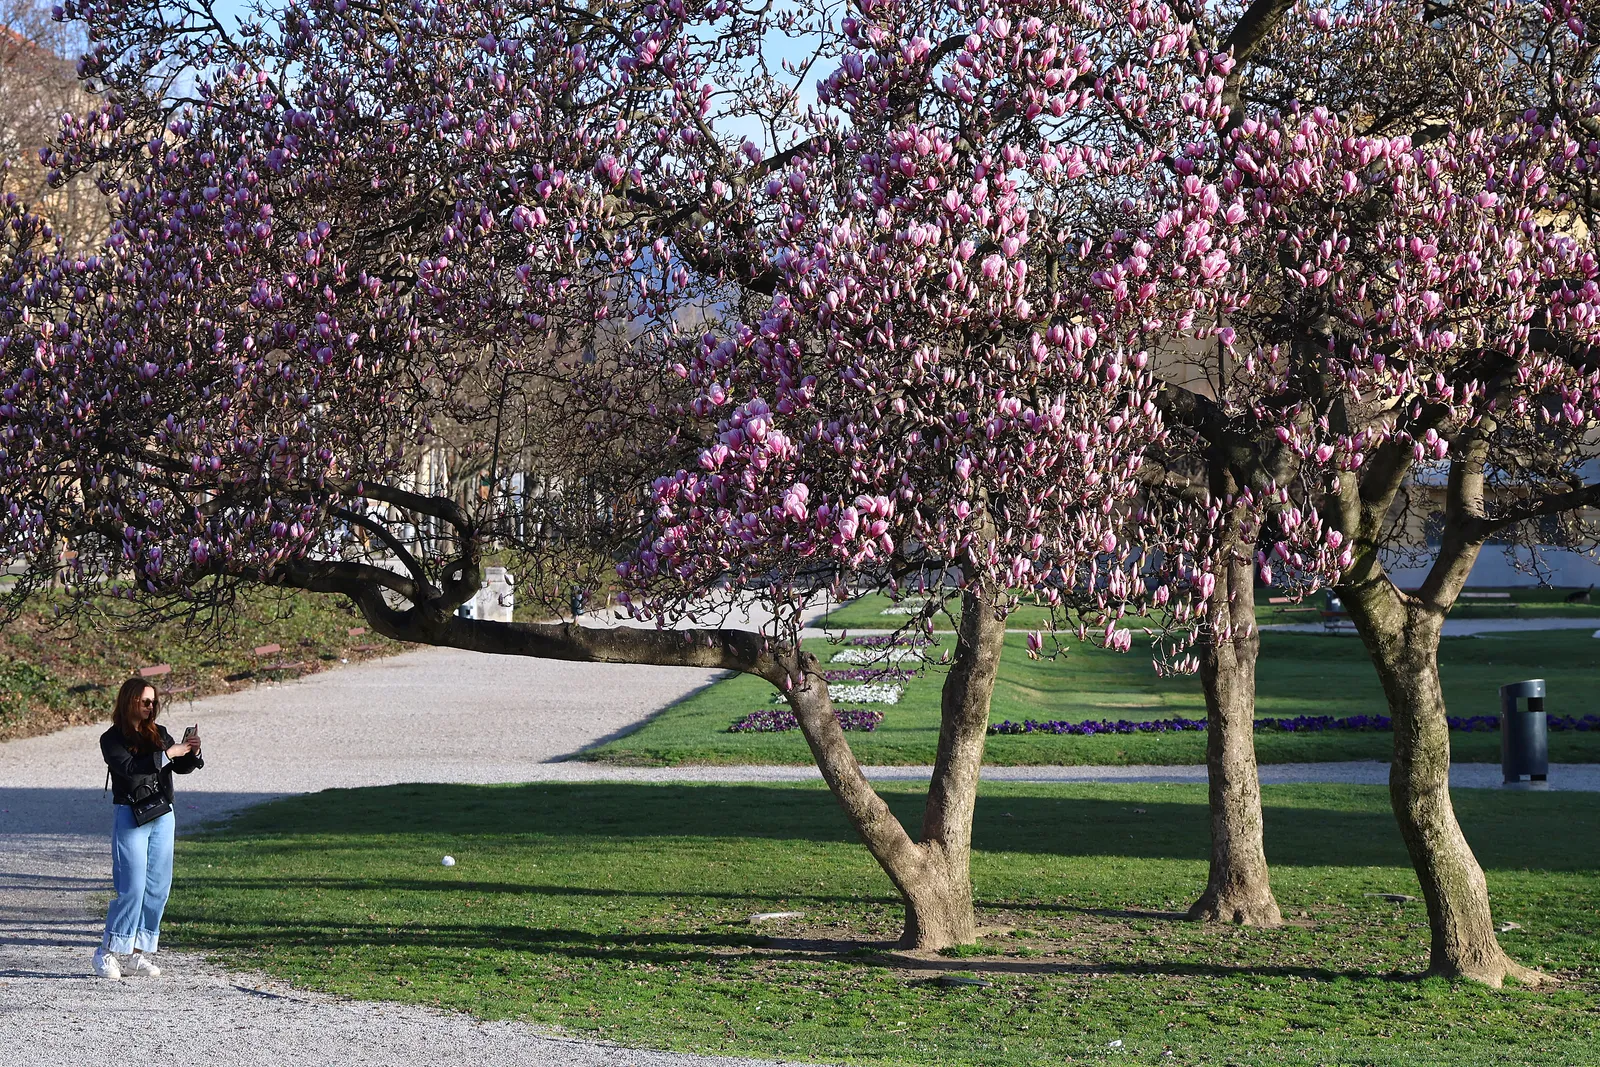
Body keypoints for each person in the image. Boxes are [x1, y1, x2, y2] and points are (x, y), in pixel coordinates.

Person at [92, 677, 204, 979]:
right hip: (130, 814)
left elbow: (178, 767)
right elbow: (129, 770)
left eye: (153, 701)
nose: (150, 706)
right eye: (144, 701)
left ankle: (138, 954)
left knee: (157, 887)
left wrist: (191, 752)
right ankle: (107, 952)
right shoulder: (111, 738)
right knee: (132, 886)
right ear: (129, 701)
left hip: (161, 814)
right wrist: (168, 753)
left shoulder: (160, 733)